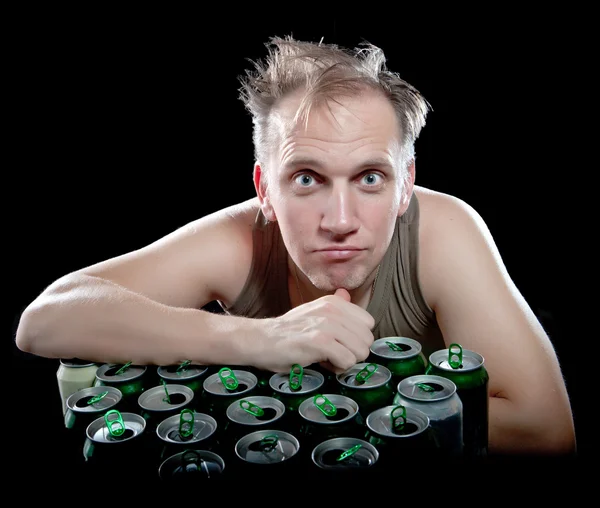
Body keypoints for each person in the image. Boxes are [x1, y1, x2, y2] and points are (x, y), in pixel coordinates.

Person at [15, 35, 575, 457]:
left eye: (370, 179)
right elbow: (45, 319)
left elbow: (547, 431)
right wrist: (256, 338)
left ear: (406, 185)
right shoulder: (240, 239)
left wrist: (354, 402)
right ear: (265, 190)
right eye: (306, 178)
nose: (340, 220)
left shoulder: (445, 230)